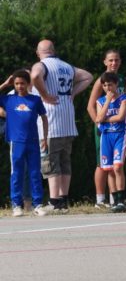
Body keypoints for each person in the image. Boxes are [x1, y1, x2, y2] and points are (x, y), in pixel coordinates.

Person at [30, 40, 93, 213]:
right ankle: (63, 200)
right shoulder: (67, 67)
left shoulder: (42, 65)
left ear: (38, 52)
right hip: (68, 121)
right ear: (53, 50)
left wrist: (44, 94)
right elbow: (88, 76)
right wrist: (73, 93)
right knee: (65, 162)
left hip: (50, 123)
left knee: (51, 162)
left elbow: (35, 76)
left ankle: (54, 201)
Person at [0, 70, 49, 217]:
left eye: (22, 83)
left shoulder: (35, 100)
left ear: (28, 84)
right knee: (17, 174)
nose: (19, 86)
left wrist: (45, 137)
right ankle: (16, 205)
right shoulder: (8, 100)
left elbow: (44, 118)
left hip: (33, 142)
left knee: (35, 173)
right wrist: (5, 84)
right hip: (16, 143)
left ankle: (38, 205)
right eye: (16, 83)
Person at [86, 49, 126, 210]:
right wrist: (99, 124)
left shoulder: (123, 80)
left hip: (118, 128)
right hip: (103, 127)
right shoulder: (101, 80)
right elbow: (90, 106)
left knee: (117, 165)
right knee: (102, 163)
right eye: (110, 60)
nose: (113, 63)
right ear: (105, 62)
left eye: (116, 60)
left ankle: (115, 198)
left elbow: (122, 103)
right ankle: (100, 198)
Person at [95, 72, 126, 213]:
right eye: (104, 85)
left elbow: (120, 117)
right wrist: (107, 102)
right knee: (109, 169)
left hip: (120, 134)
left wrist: (105, 119)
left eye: (110, 84)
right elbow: (98, 118)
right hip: (106, 136)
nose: (107, 88)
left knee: (118, 167)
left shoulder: (123, 99)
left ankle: (121, 200)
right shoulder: (100, 101)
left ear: (116, 84)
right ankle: (115, 201)